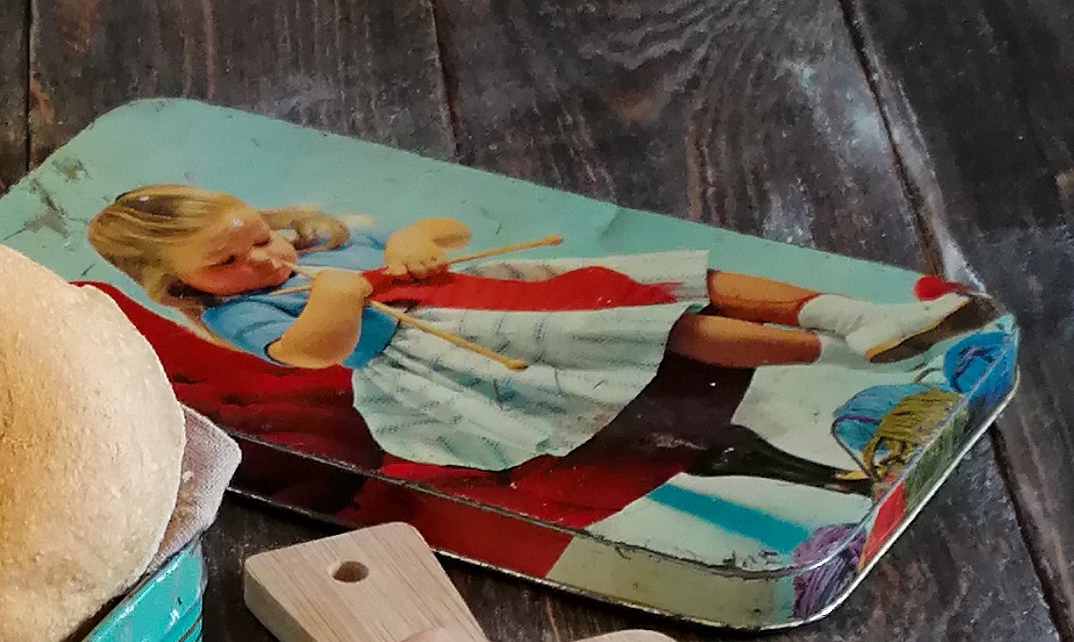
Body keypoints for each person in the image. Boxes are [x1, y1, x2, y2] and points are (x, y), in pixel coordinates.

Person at [87, 186, 977, 475]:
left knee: (668, 277)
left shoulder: (310, 242)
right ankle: (827, 357)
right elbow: (315, 348)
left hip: (494, 290)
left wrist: (409, 241)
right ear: (181, 286)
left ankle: (852, 317)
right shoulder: (248, 312)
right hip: (451, 353)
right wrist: (347, 289)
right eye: (228, 261)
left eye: (258, 238)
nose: (263, 261)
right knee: (669, 333)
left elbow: (446, 238)